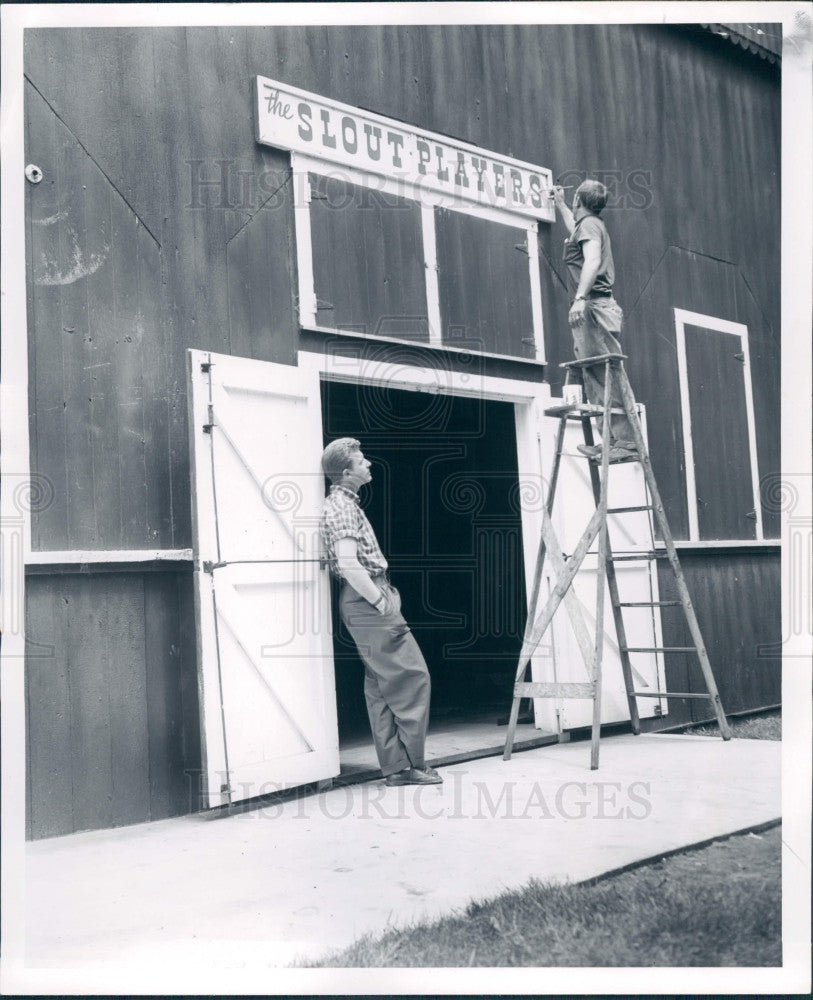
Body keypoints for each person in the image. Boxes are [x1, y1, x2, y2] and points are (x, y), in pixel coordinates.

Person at [319, 437, 442, 786]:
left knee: (381, 686)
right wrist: (379, 601)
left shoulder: (344, 504)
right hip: (367, 598)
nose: (369, 464)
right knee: (413, 677)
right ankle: (415, 765)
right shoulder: (342, 507)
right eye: (362, 461)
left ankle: (397, 768)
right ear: (346, 472)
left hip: (368, 596)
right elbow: (348, 562)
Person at [552, 179, 639, 463]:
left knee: (606, 374)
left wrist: (579, 298)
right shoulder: (586, 224)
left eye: (572, 198)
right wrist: (560, 205)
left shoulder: (589, 227)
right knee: (596, 376)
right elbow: (576, 231)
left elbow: (590, 260)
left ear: (579, 199)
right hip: (594, 306)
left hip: (594, 307)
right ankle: (611, 441)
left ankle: (626, 443)